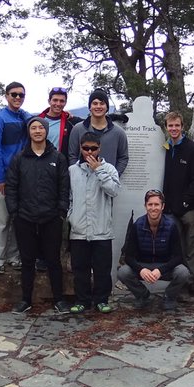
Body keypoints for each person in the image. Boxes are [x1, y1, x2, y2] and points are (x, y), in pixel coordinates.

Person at [6, 117, 70, 315]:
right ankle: (26, 300)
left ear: (45, 131)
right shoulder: (19, 158)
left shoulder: (57, 158)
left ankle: (59, 300)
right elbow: (11, 187)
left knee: (53, 260)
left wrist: (61, 211)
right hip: (24, 218)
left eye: (40, 128)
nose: (37, 131)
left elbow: (64, 187)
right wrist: (14, 212)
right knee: (27, 261)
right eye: (33, 128)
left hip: (51, 218)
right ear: (29, 132)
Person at [68, 132, 120, 314]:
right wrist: (71, 216)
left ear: (99, 148)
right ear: (80, 149)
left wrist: (99, 170)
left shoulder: (110, 169)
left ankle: (101, 300)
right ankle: (82, 300)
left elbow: (113, 191)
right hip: (79, 229)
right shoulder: (72, 171)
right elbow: (69, 198)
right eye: (85, 148)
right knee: (80, 269)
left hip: (101, 229)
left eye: (93, 148)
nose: (90, 152)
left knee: (102, 269)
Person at [117, 190, 192, 313]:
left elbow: (178, 257)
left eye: (156, 205)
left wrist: (160, 270)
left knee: (183, 272)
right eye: (150, 204)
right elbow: (128, 257)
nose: (153, 208)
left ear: (162, 206)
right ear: (145, 206)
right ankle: (143, 296)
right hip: (144, 266)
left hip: (164, 266)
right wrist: (141, 270)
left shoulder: (171, 226)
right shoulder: (137, 226)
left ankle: (169, 297)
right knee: (123, 272)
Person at [0, 82, 34, 274]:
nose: (17, 98)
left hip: (21, 176)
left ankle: (14, 257)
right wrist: (0, 178)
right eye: (14, 95)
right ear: (6, 96)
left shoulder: (23, 116)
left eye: (21, 95)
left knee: (19, 219)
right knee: (2, 220)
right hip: (4, 177)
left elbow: (34, 119)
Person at [161, 111, 194, 290]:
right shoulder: (165, 148)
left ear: (182, 126)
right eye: (170, 125)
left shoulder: (192, 149)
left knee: (192, 245)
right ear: (166, 127)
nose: (174, 128)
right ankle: (178, 281)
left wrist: (186, 202)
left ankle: (191, 281)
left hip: (190, 208)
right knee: (176, 246)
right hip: (170, 208)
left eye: (177, 125)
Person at [67, 89, 128, 176]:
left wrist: (114, 175)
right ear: (90, 107)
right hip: (83, 182)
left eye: (102, 103)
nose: (98, 106)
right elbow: (72, 155)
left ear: (107, 107)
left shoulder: (119, 133)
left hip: (107, 183)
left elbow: (123, 157)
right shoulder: (77, 129)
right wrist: (77, 174)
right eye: (95, 103)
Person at [39, 86, 80, 164]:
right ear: (49, 101)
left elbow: (91, 122)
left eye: (62, 101)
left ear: (65, 103)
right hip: (40, 165)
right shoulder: (37, 121)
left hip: (60, 167)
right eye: (55, 100)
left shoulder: (70, 122)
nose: (58, 104)